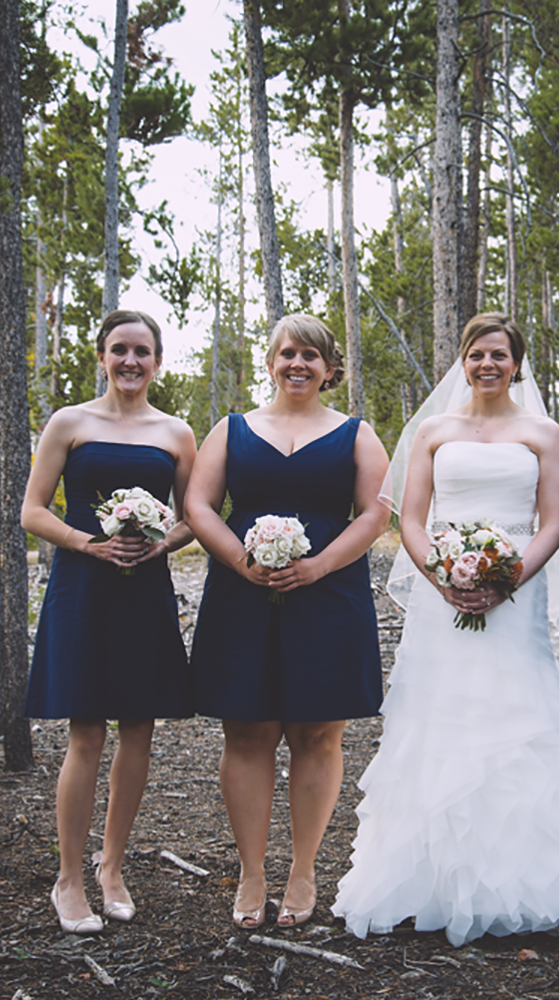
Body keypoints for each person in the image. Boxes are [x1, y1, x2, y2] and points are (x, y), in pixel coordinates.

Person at [333, 314, 559, 947]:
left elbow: (553, 521)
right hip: (441, 594)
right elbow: (412, 520)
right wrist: (444, 576)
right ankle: (434, 880)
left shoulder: (542, 432)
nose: (487, 365)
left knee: (519, 713)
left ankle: (536, 877)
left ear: (517, 363)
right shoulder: (435, 431)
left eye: (499, 354)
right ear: (463, 361)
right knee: (440, 717)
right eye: (477, 355)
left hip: (516, 593)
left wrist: (507, 579)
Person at [186, 315, 389, 930]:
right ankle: (252, 871)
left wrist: (320, 566)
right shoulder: (232, 429)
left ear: (330, 369)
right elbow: (198, 504)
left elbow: (377, 514)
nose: (297, 364)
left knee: (318, 734)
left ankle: (303, 870)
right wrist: (240, 560)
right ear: (270, 362)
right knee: (247, 733)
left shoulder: (356, 433)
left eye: (311, 356)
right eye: (287, 354)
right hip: (242, 595)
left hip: (328, 597)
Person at [22, 309, 199, 934]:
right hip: (84, 585)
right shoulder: (70, 422)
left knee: (140, 730)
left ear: (157, 361)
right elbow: (32, 510)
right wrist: (86, 541)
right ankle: (67, 877)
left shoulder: (176, 433)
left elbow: (194, 513)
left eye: (142, 351)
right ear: (101, 356)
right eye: (119, 349)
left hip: (144, 587)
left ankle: (112, 867)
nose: (130, 361)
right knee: (86, 732)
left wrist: (161, 545)